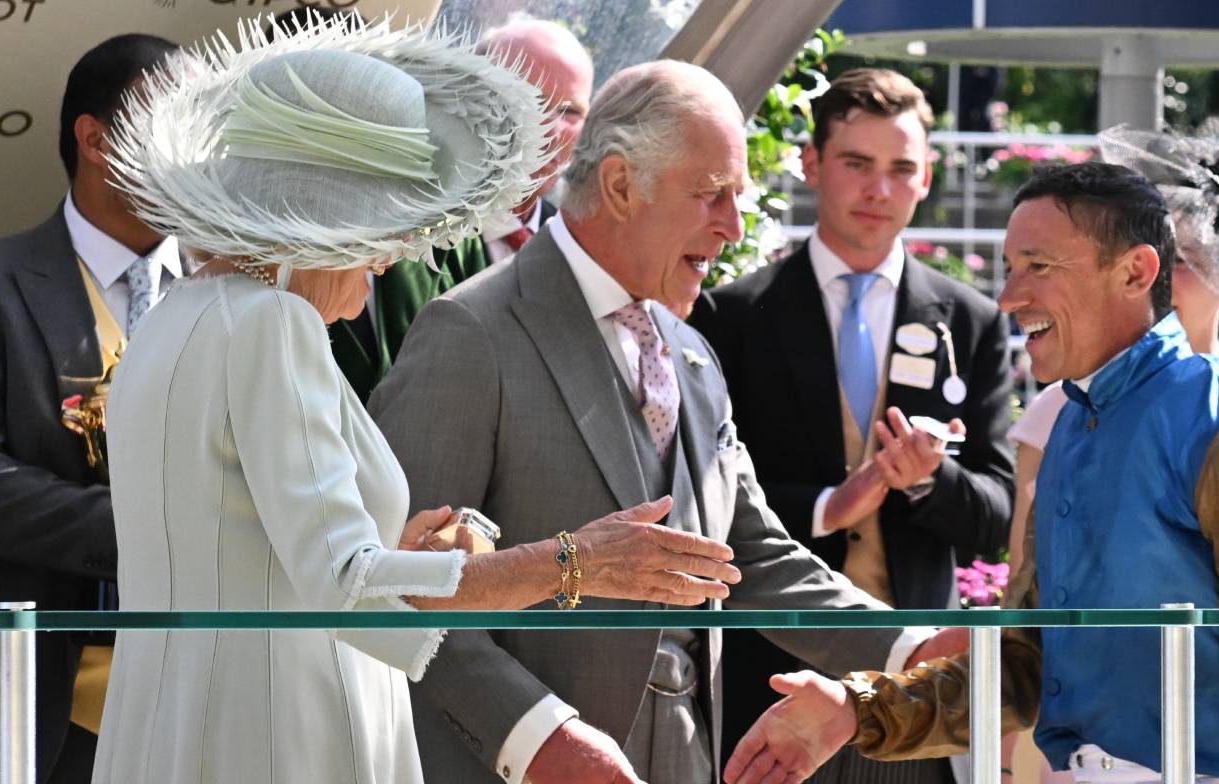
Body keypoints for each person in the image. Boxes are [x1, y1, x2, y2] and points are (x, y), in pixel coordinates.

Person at [92, 19, 740, 784]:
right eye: (386, 234)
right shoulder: (270, 324)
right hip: (284, 741)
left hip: (179, 736)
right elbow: (350, 587)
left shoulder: (173, 318)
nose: (391, 263)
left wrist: (408, 552)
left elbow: (254, 553)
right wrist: (579, 562)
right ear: (325, 223)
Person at [370, 59, 964, 784]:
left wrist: (910, 649)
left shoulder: (692, 353)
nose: (734, 226)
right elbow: (398, 587)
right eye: (713, 194)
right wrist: (537, 738)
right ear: (620, 185)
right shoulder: (470, 331)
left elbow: (749, 556)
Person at [724, 162, 1219, 784]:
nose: (1008, 298)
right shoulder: (1072, 423)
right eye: (1009, 269)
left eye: (1038, 267)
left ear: (1136, 272)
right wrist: (856, 709)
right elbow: (1025, 662)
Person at [691, 67, 1014, 784]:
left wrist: (932, 481)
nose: (879, 190)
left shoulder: (972, 322)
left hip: (914, 701)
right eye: (857, 164)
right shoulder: (734, 317)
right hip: (773, 692)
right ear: (811, 165)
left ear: (926, 178)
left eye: (902, 169)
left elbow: (999, 517)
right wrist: (825, 508)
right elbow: (703, 503)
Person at [0, 33, 180, 784]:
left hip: (202, 712)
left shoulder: (241, 305)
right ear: (94, 139)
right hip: (28, 715)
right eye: (176, 125)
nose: (198, 155)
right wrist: (154, 533)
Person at [329, 14, 594, 399]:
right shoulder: (394, 217)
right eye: (530, 100)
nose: (550, 131)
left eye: (569, 111)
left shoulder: (573, 253)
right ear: (466, 96)